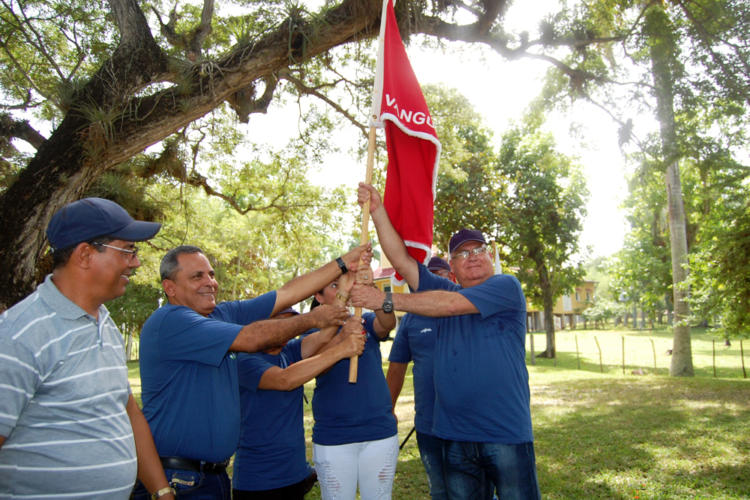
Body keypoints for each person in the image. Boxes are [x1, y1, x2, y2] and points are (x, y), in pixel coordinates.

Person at [133, 243, 371, 499]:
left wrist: (344, 263)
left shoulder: (220, 314)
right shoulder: (171, 321)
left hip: (213, 478)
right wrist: (312, 319)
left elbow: (287, 294)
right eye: (197, 276)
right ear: (170, 288)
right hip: (177, 479)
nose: (210, 282)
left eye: (211, 274)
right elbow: (251, 338)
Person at [352, 183, 541, 500]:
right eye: (462, 254)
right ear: (451, 267)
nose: (473, 257)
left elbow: (448, 306)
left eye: (478, 250)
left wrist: (385, 299)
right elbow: (401, 261)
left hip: (505, 433)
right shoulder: (443, 292)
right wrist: (377, 210)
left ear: (490, 257)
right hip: (453, 437)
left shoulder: (506, 287)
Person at [0, 198, 175, 499]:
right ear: (85, 254)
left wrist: (162, 492)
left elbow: (128, 412)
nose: (136, 262)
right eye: (128, 251)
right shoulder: (20, 334)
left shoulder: (104, 322)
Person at [232, 298, 366, 500]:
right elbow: (285, 379)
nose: (286, 331)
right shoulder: (246, 360)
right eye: (280, 324)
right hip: (259, 481)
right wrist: (342, 349)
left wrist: (345, 323)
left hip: (293, 475)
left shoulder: (288, 351)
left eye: (289, 324)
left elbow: (326, 337)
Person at [308, 273, 399, 500]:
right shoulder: (312, 332)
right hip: (335, 436)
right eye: (334, 285)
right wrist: (342, 342)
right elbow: (315, 367)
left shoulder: (363, 322)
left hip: (379, 433)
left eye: (347, 285)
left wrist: (373, 294)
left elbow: (388, 323)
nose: (345, 290)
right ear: (318, 296)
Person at [386, 256, 454, 500]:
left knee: (475, 489)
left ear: (451, 279)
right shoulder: (411, 320)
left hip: (467, 423)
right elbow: (396, 368)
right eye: (429, 277)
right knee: (440, 490)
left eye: (440, 277)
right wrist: (388, 409)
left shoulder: (464, 309)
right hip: (428, 424)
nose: (433, 283)